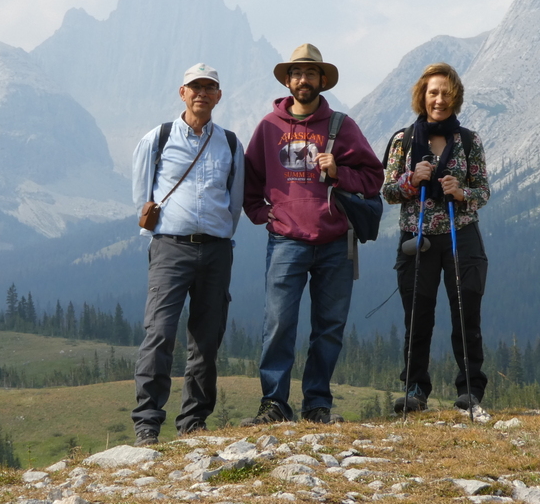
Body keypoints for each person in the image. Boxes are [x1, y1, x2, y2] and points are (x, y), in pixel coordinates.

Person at [243, 43, 383, 424]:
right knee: (278, 324)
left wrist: (340, 172)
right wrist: (263, 215)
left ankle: (317, 404)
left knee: (329, 328)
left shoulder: (342, 126)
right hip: (286, 241)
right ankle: (274, 404)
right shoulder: (268, 128)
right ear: (288, 80)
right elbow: (250, 179)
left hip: (336, 241)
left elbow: (373, 178)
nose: (303, 80)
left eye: (311, 73)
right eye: (297, 73)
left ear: (323, 80)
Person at [130, 63, 244, 445]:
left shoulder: (229, 143)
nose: (202, 93)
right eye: (195, 87)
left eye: (209, 87)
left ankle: (193, 423)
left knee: (207, 340)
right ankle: (148, 423)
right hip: (169, 249)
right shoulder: (158, 138)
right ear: (182, 92)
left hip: (215, 251)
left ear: (218, 95)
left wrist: (221, 236)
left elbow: (235, 202)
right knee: (159, 334)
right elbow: (141, 195)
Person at [381, 62, 490, 413]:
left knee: (466, 311)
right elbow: (387, 190)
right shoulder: (403, 140)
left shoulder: (469, 140)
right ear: (422, 96)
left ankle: (470, 388)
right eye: (433, 93)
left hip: (463, 234)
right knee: (417, 314)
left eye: (445, 92)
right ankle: (415, 389)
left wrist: (461, 193)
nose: (439, 99)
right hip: (418, 236)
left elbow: (483, 191)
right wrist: (411, 180)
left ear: (454, 96)